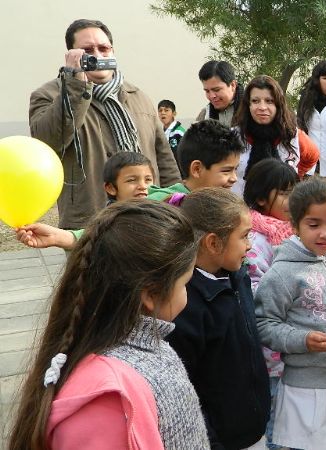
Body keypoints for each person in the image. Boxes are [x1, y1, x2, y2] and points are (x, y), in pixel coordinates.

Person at [8, 200, 208, 449]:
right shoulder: (108, 400)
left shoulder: (146, 349)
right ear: (150, 294)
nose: (187, 294)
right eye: (184, 284)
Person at [29, 19, 181, 230]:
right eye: (87, 50)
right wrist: (74, 85)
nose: (97, 55)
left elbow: (163, 157)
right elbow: (50, 142)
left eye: (103, 48)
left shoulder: (137, 96)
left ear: (113, 51)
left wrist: (176, 202)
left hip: (149, 217)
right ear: (72, 55)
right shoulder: (48, 96)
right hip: (90, 224)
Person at [254, 177, 326, 450]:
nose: (325, 233)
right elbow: (264, 323)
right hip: (307, 388)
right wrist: (301, 339)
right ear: (295, 226)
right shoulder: (282, 273)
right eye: (313, 225)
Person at [15, 120, 244, 251]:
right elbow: (110, 225)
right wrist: (64, 238)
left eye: (235, 170)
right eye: (226, 171)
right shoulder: (166, 201)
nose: (234, 178)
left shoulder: (224, 203)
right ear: (196, 169)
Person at [167, 187, 270, 449]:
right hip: (220, 440)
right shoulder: (186, 305)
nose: (249, 245)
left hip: (252, 426)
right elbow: (185, 385)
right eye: (244, 236)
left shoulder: (238, 276)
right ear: (213, 242)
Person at [241, 158, 298, 447]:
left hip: (293, 343)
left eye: (294, 191)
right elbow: (254, 288)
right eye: (285, 193)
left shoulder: (296, 232)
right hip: (270, 347)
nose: (293, 199)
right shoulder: (255, 237)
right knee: (275, 416)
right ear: (262, 198)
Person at [15, 152, 156, 250]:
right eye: (131, 180)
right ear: (111, 188)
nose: (143, 186)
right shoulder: (110, 221)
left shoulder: (162, 207)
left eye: (148, 180)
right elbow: (91, 236)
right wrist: (56, 237)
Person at [231, 75, 319, 195]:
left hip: (282, 210)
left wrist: (296, 175)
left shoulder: (292, 135)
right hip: (241, 208)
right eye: (255, 101)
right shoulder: (233, 137)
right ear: (248, 105)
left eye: (269, 101)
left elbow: (312, 155)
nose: (262, 107)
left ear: (278, 105)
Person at [196, 60, 242, 127]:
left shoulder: (251, 110)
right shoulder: (205, 115)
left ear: (233, 85)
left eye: (216, 90)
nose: (212, 96)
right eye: (207, 91)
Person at [158, 99, 187, 165]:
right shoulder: (160, 133)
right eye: (160, 110)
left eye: (166, 110)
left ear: (174, 113)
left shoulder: (179, 132)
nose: (163, 113)